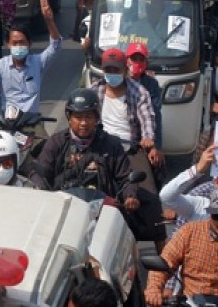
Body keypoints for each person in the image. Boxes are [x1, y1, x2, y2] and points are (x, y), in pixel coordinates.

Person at [32, 89, 161, 241]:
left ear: (96, 118)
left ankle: (164, 258)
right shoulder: (56, 142)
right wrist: (43, 192)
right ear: (69, 118)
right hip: (64, 210)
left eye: (88, 117)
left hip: (102, 213)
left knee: (152, 207)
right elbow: (39, 173)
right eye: (78, 117)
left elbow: (126, 177)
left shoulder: (111, 144)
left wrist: (130, 196)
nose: (83, 123)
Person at [90, 48, 167, 247]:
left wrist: (148, 140)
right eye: (108, 69)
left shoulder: (138, 91)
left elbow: (147, 118)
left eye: (116, 70)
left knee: (149, 199)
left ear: (125, 70)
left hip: (129, 149)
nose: (112, 74)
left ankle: (164, 257)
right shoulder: (93, 91)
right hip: (100, 147)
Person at [145, 185, 218, 307]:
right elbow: (164, 263)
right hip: (189, 302)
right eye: (216, 216)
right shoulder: (189, 232)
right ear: (209, 214)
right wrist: (154, 289)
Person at [0, 0, 61, 125]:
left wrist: (49, 20)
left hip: (31, 123)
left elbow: (55, 46)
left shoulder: (38, 62)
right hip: (6, 123)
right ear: (8, 44)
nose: (18, 46)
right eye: (15, 43)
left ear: (29, 44)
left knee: (45, 145)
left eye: (22, 42)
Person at [126, 43, 163, 148]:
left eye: (141, 59)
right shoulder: (121, 81)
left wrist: (156, 147)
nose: (137, 63)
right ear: (127, 60)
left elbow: (155, 115)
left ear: (146, 63)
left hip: (145, 136)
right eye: (134, 59)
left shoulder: (152, 84)